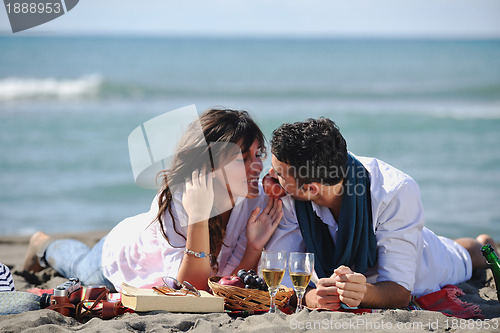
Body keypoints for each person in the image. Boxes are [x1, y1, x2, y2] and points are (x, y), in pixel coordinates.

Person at [23, 108, 283, 292]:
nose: (257, 165)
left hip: (169, 257)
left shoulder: (253, 200)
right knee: (79, 267)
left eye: (258, 154)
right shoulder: (180, 199)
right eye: (242, 158)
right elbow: (190, 288)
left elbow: (230, 285)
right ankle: (42, 245)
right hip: (122, 259)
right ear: (211, 165)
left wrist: (253, 247)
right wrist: (198, 217)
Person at [265, 117, 496, 309]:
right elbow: (279, 268)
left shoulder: (395, 192)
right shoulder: (293, 192)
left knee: (466, 255)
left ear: (311, 189)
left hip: (425, 261)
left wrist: (363, 292)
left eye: (279, 173)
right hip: (397, 238)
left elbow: (400, 292)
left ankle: (484, 243)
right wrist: (310, 297)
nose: (272, 175)